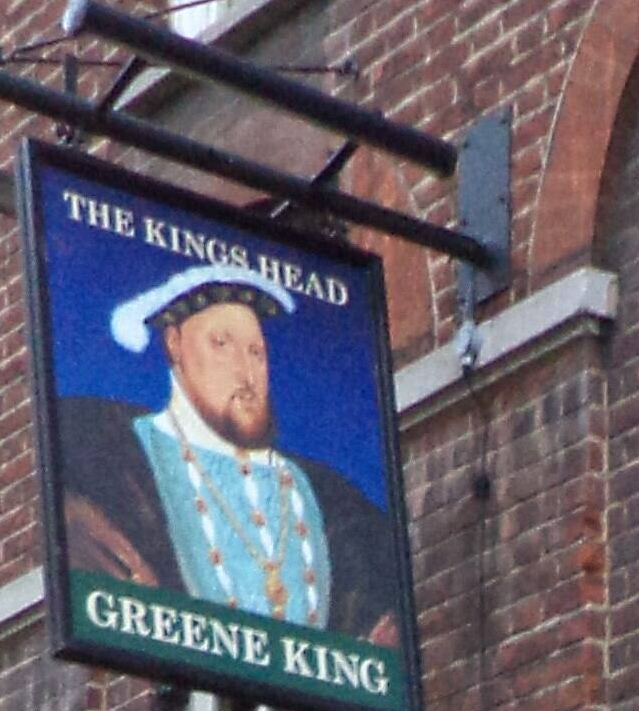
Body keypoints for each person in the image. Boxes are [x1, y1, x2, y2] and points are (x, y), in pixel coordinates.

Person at [59, 260, 406, 644]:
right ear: (174, 343)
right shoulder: (101, 447)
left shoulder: (332, 498)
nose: (246, 372)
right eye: (221, 344)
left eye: (256, 352)